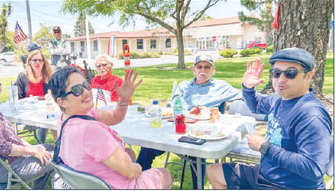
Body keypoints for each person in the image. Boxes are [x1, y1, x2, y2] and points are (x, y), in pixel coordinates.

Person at [206, 47, 332, 189]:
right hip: (267, 174)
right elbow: (256, 105)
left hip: (288, 185)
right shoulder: (279, 99)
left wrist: (264, 147)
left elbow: (313, 169)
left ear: (308, 76)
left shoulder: (311, 115)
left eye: (290, 73)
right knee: (213, 171)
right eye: (276, 73)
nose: (281, 79)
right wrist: (248, 88)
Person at [49, 66, 172, 189]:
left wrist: (124, 99)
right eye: (77, 90)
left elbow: (115, 117)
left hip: (87, 183)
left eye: (86, 84)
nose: (86, 91)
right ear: (62, 102)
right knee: (163, 174)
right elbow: (131, 172)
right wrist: (140, 167)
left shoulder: (65, 120)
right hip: (117, 187)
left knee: (129, 152)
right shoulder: (91, 130)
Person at [136, 54, 242, 189]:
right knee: (147, 147)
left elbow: (245, 96)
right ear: (194, 70)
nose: (203, 70)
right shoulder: (184, 86)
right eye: (199, 67)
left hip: (203, 131)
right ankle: (139, 182)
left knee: (196, 155)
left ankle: (198, 188)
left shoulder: (221, 86)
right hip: (178, 128)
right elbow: (175, 105)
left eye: (207, 67)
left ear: (213, 70)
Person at [0, 70, 54, 189]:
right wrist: (33, 152)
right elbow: (4, 147)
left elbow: (13, 137)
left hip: (10, 161)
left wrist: (33, 149)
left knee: (49, 148)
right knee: (58, 158)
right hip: (3, 169)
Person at [14, 49, 54, 144]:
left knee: (50, 119)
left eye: (40, 60)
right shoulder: (23, 77)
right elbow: (17, 98)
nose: (37, 62)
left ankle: (53, 147)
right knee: (44, 122)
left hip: (46, 111)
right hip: (28, 113)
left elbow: (53, 94)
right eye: (34, 60)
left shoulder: (48, 76)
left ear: (44, 62)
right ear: (29, 62)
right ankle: (42, 146)